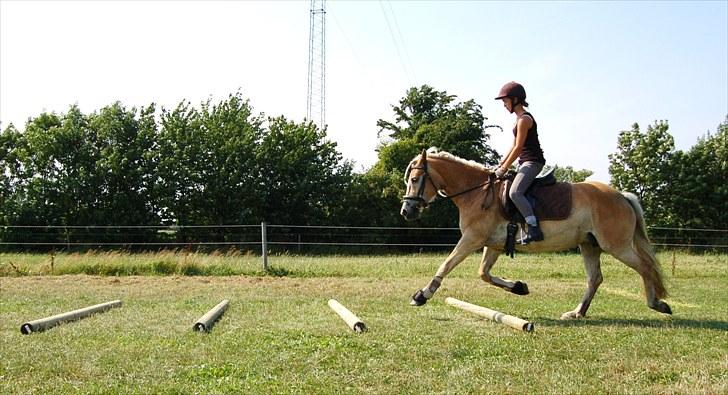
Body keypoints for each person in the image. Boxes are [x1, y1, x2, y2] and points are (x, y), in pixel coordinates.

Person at [494, 81, 546, 244]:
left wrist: (504, 169)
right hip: (523, 163)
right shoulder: (518, 121)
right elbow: (512, 146)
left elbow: (518, 148)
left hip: (533, 162)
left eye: (505, 101)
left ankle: (534, 228)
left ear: (515, 99)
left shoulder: (524, 119)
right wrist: (500, 164)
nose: (504, 105)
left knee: (515, 192)